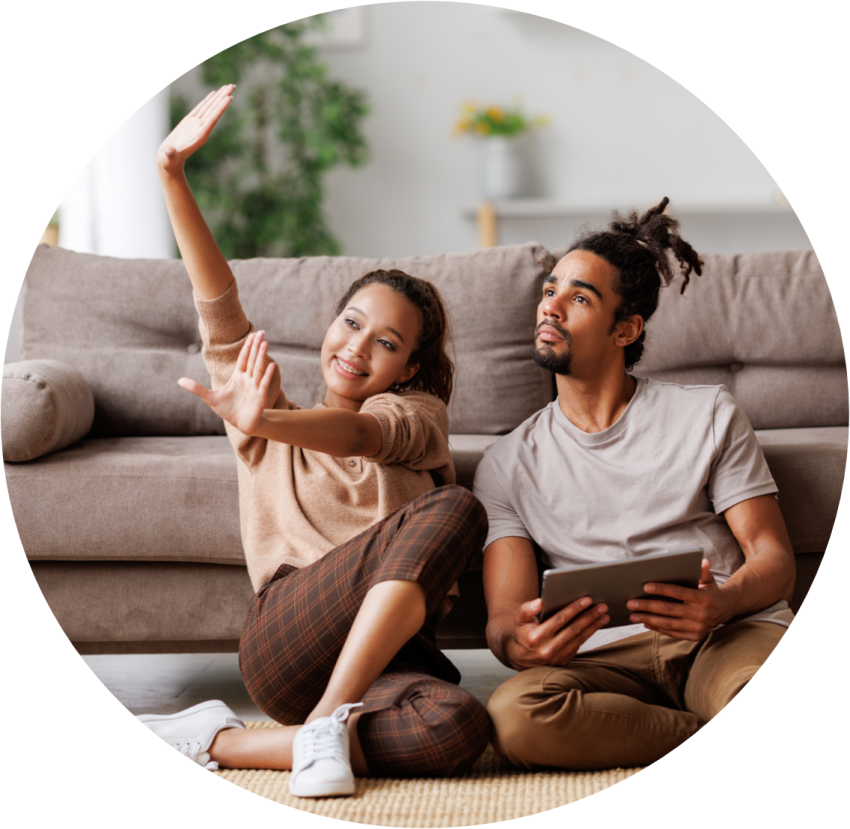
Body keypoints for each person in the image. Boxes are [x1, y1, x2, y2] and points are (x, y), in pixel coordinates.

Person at [136, 85, 490, 796]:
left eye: (386, 342)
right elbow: (219, 303)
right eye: (351, 322)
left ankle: (224, 739)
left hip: (391, 656)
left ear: (409, 366)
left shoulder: (418, 418)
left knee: (460, 726)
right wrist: (171, 175)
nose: (358, 347)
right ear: (331, 325)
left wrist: (263, 418)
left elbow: (362, 432)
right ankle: (323, 720)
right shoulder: (266, 416)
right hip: (287, 642)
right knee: (459, 510)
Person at [473, 198, 797, 770]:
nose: (550, 308)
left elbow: (773, 559)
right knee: (513, 719)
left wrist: (720, 605)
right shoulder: (506, 462)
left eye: (578, 298)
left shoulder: (707, 415)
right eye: (550, 291)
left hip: (721, 636)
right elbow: (504, 615)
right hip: (603, 660)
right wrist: (515, 643)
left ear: (626, 328)